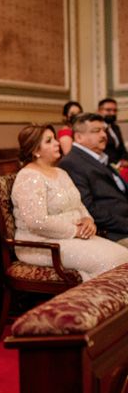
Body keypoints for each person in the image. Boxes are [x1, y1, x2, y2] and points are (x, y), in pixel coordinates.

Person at [12, 123, 128, 279]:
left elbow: (78, 204)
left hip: (71, 238)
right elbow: (36, 221)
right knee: (112, 262)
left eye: (54, 139)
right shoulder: (29, 176)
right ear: (35, 150)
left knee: (124, 256)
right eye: (49, 141)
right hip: (43, 244)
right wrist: (75, 231)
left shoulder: (60, 172)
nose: (57, 143)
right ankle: (91, 301)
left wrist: (88, 220)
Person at [59, 113, 128, 247]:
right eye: (97, 131)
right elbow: (89, 208)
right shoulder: (72, 163)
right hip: (114, 232)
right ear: (79, 137)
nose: (104, 135)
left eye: (104, 130)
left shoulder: (98, 156)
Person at [98, 97, 128, 166]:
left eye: (115, 110)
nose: (112, 113)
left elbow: (122, 148)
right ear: (99, 111)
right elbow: (101, 151)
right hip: (107, 165)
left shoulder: (115, 127)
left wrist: (125, 160)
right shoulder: (97, 129)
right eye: (108, 110)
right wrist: (119, 163)